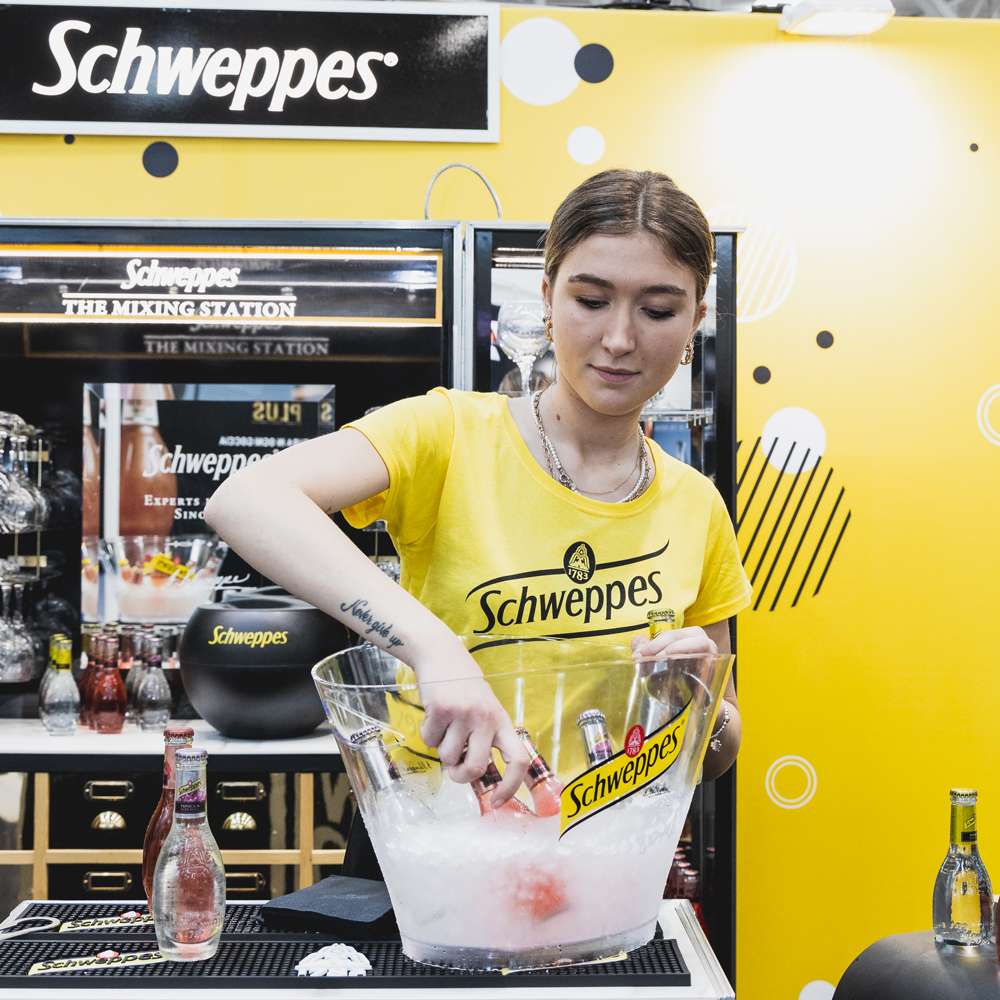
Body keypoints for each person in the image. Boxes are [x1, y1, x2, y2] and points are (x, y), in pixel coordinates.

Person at [204, 169, 752, 807]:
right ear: (548, 298)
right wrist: (434, 648)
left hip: (606, 845)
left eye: (657, 311)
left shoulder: (695, 504)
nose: (619, 339)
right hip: (439, 833)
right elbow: (245, 499)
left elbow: (722, 749)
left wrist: (697, 703)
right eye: (590, 301)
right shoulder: (448, 433)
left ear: (695, 321)